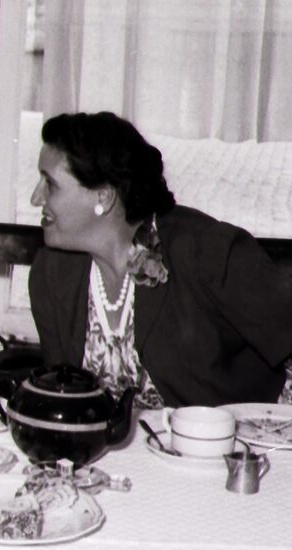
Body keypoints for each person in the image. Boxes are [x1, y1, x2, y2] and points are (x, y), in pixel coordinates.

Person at [28, 111, 292, 407]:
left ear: (103, 197)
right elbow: (64, 397)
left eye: (49, 184)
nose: (35, 198)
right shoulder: (51, 272)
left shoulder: (206, 251)